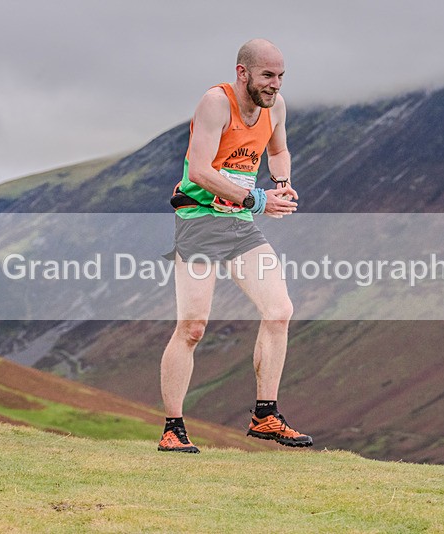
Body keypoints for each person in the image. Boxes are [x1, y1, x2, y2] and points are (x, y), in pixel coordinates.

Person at [159, 39, 312, 453]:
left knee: (279, 311)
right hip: (200, 219)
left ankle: (266, 415)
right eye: (267, 76)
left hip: (240, 225)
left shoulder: (274, 107)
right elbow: (201, 169)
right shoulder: (215, 103)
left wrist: (281, 184)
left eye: (280, 77)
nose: (275, 85)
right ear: (242, 72)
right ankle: (173, 428)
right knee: (192, 328)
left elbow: (278, 149)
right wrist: (257, 199)